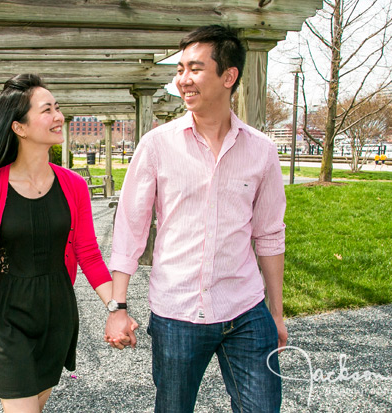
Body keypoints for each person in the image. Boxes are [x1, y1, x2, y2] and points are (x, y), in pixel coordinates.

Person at [104, 25, 288, 413]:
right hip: (178, 313)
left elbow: (269, 234)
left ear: (229, 76)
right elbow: (130, 229)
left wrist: (275, 313)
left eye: (194, 69)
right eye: (180, 69)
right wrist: (117, 307)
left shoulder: (262, 151)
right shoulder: (156, 145)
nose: (182, 80)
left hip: (245, 310)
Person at [0, 74, 131, 413]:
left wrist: (116, 309)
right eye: (47, 110)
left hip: (57, 313)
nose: (58, 117)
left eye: (57, 108)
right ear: (19, 128)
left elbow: (89, 254)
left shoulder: (73, 185)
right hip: (6, 316)